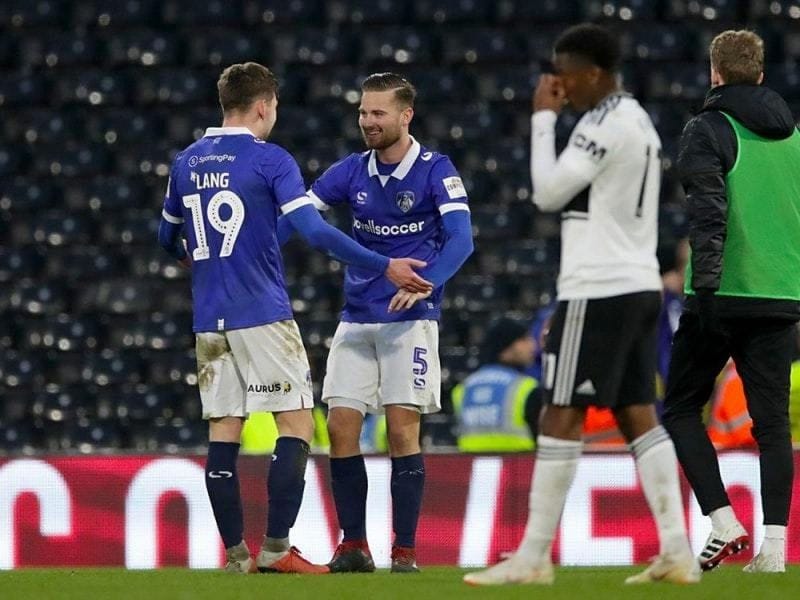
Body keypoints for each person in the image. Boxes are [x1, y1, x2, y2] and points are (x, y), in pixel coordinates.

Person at [157, 62, 432, 575]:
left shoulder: (186, 161)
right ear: (264, 106)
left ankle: (236, 557)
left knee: (223, 429)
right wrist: (383, 265)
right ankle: (277, 548)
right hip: (261, 311)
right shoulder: (270, 160)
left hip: (208, 318)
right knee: (298, 421)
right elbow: (315, 230)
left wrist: (201, 258)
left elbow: (166, 236)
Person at [464, 24, 699, 586]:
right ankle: (676, 550)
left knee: (559, 412)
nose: (557, 82)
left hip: (598, 288)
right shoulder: (637, 118)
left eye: (564, 72)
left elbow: (546, 192)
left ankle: (533, 557)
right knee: (638, 413)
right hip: (637, 283)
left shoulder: (600, 124)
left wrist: (542, 120)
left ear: (593, 72)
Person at [280, 72, 474, 573]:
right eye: (363, 112)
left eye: (378, 113)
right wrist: (250, 249)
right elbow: (301, 218)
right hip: (357, 317)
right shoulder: (350, 171)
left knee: (401, 432)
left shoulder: (436, 170)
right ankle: (353, 545)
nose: (367, 121)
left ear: (406, 115)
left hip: (412, 320)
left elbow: (460, 240)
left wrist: (424, 285)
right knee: (342, 428)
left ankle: (405, 548)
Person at [661, 29, 800, 573]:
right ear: (761, 74)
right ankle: (775, 552)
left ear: (715, 73)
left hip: (721, 294)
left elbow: (707, 216)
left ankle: (722, 521)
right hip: (782, 295)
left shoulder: (708, 127)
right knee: (772, 426)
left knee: (678, 407)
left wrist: (708, 292)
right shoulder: (794, 138)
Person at [451, 318, 538, 452]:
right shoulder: (526, 388)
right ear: (506, 347)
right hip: (517, 468)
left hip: (472, 468)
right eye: (524, 339)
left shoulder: (463, 389)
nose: (532, 345)